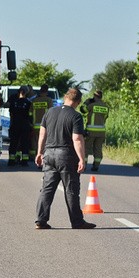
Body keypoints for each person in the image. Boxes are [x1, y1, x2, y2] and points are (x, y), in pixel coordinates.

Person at [34, 88, 96, 230]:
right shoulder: (76, 116)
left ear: (65, 97)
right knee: (71, 190)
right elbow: (77, 139)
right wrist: (81, 159)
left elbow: (42, 134)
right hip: (66, 156)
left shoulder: (50, 112)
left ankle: (40, 220)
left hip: (49, 154)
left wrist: (39, 152)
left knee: (47, 189)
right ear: (78, 102)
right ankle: (77, 222)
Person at [80, 89, 110, 171]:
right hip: (101, 132)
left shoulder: (92, 105)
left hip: (91, 131)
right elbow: (105, 117)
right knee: (98, 148)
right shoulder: (106, 107)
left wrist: (86, 102)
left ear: (94, 96)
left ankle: (84, 165)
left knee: (86, 148)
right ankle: (96, 165)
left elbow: (83, 110)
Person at [7, 86, 33, 166]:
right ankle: (24, 161)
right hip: (25, 125)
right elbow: (30, 115)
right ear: (26, 93)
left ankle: (11, 160)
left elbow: (11, 112)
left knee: (14, 143)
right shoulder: (28, 103)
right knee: (25, 143)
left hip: (15, 124)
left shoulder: (14, 102)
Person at [30, 84, 54, 166]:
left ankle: (33, 157)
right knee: (44, 142)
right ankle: (43, 159)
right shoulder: (48, 100)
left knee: (35, 142)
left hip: (35, 125)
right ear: (47, 91)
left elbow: (30, 113)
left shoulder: (34, 100)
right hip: (45, 126)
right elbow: (51, 112)